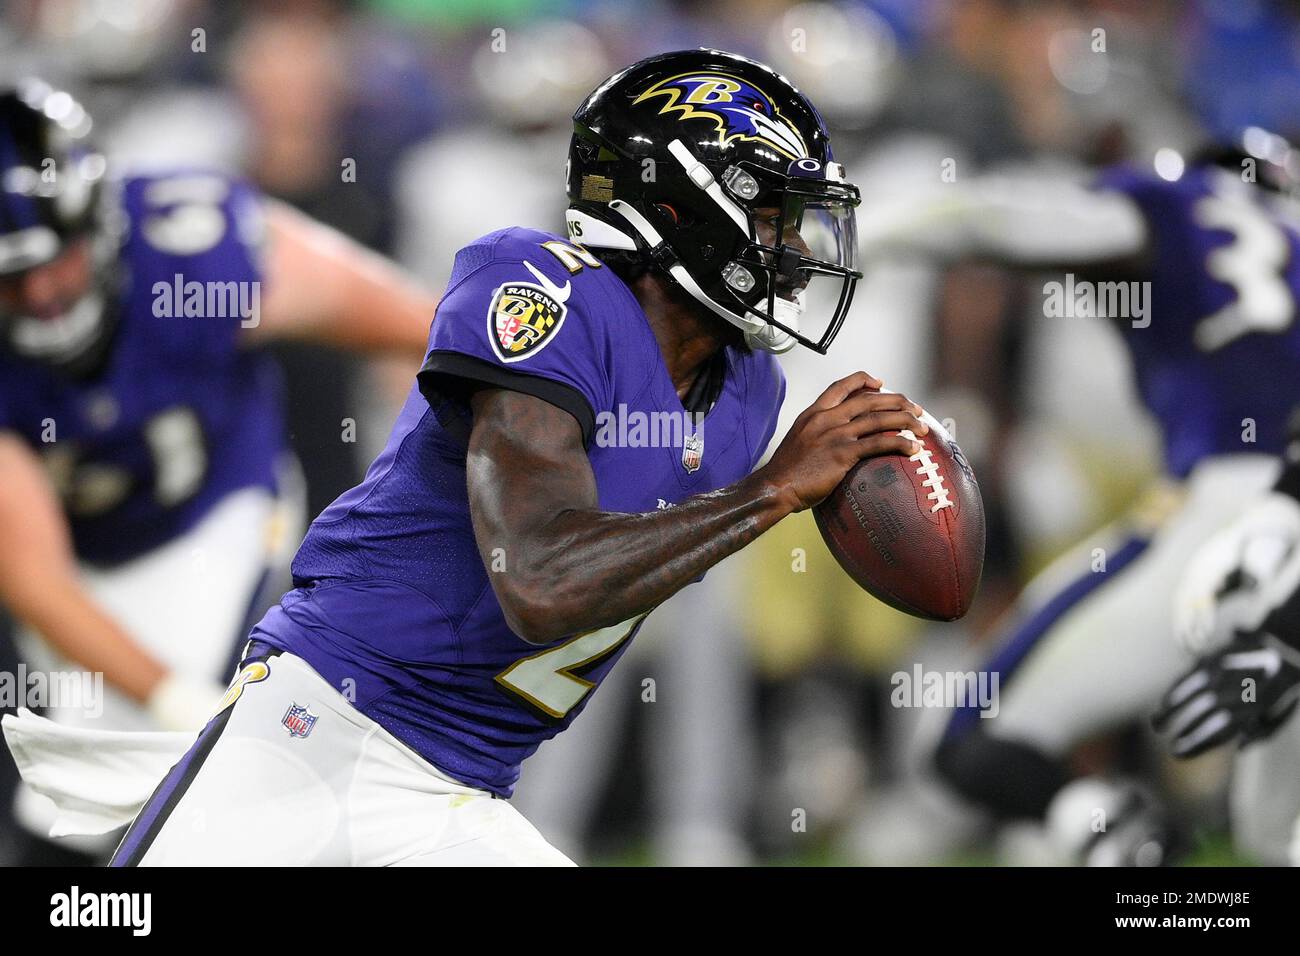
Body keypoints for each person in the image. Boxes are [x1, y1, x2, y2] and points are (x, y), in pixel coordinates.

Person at [83, 48, 927, 866]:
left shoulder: (748, 390)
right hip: (319, 734)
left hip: (461, 794)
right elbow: (540, 580)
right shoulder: (539, 291)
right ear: (681, 211)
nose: (798, 248)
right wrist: (773, 492)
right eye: (773, 216)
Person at [0, 79, 437, 862]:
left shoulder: (189, 255)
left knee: (194, 803)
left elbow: (422, 325)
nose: (37, 293)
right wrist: (173, 698)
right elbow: (36, 578)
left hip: (216, 509)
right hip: (79, 556)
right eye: (8, 275)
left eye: (52, 260)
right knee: (73, 804)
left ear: (95, 222)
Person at [859, 129, 1300, 863]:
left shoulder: (1170, 203)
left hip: (1226, 515)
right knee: (1275, 836)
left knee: (977, 743)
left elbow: (996, 220)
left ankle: (1119, 841)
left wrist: (858, 232)